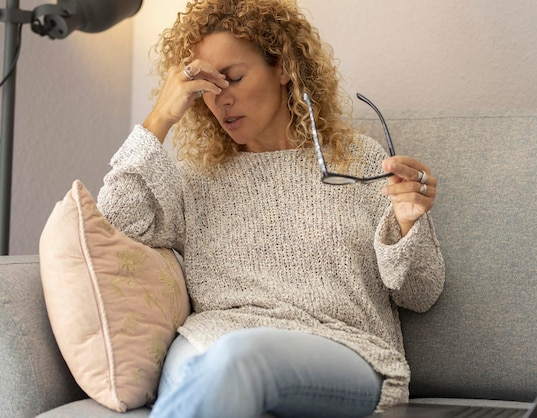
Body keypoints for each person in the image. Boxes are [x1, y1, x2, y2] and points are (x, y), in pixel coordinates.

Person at [97, 0, 445, 417]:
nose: (221, 100)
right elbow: (115, 221)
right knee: (217, 365)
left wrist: (407, 225)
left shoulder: (359, 162)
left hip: (342, 349)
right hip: (209, 343)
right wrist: (160, 118)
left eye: (234, 78)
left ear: (283, 68)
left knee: (237, 359)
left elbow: (421, 294)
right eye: (208, 88)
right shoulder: (195, 178)